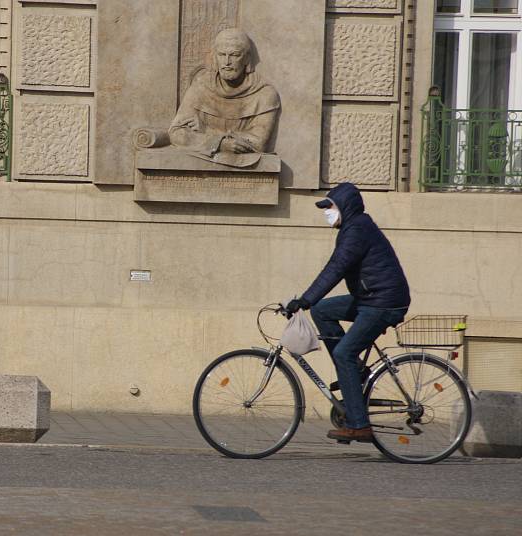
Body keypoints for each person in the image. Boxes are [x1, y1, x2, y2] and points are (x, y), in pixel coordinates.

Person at [285, 182, 410, 443]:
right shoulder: (353, 228)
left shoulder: (358, 230)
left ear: (345, 206)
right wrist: (311, 302)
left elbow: (336, 267)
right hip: (370, 297)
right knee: (322, 311)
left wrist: (305, 299)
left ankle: (359, 425)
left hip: (383, 302)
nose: (326, 212)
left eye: (330, 207)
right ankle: (354, 374)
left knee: (344, 352)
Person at [168, 28, 280, 167]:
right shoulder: (201, 87)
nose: (227, 62)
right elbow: (177, 133)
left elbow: (259, 143)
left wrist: (207, 131)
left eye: (234, 55)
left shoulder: (265, 94)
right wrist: (220, 143)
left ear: (246, 58)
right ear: (215, 57)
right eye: (222, 55)